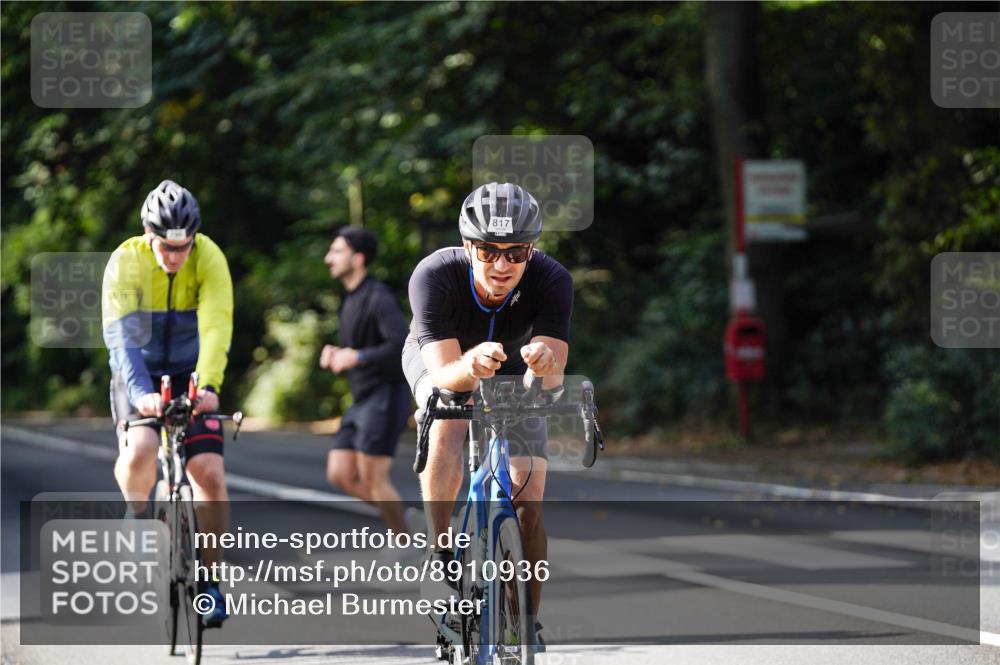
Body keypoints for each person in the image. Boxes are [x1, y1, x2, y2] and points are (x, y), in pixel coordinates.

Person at [403, 182, 573, 647]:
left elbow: (552, 382)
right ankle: (441, 553)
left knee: (528, 504)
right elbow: (444, 374)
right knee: (447, 418)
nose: (501, 265)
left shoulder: (552, 279)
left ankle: (526, 623)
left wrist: (545, 365)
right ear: (467, 246)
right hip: (444, 359)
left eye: (515, 253)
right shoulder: (435, 274)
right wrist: (469, 367)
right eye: (488, 251)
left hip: (513, 370)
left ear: (530, 250)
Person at [102, 179, 233, 628]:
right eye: (166, 247)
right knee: (139, 451)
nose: (175, 256)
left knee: (210, 474)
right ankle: (138, 513)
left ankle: (211, 582)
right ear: (148, 235)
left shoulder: (209, 257)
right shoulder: (126, 260)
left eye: (183, 246)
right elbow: (121, 336)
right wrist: (141, 393)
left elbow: (216, 325)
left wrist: (209, 384)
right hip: (137, 371)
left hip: (189, 373)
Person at [320, 226, 413, 536]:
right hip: (361, 399)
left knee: (374, 478)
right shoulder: (350, 297)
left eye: (337, 251)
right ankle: (406, 521)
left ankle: (406, 541)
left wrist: (357, 357)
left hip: (385, 395)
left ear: (358, 259)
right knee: (339, 473)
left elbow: (400, 345)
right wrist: (337, 353)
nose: (328, 258)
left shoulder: (378, 297)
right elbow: (359, 346)